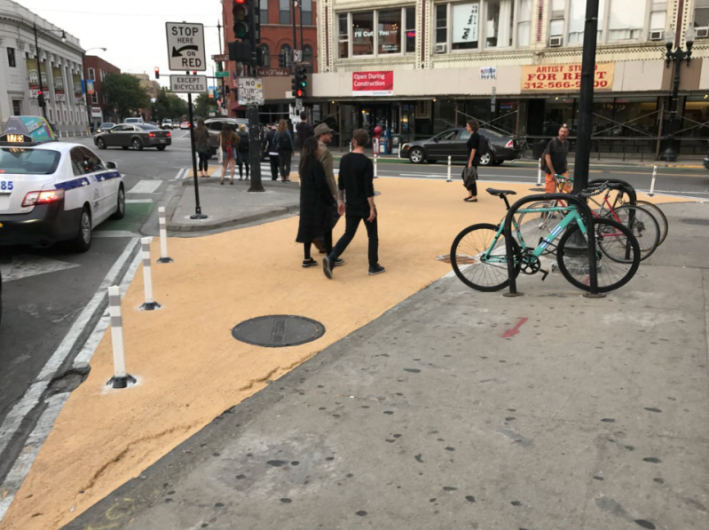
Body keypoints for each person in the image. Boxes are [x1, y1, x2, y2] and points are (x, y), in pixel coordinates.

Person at [323, 129, 385, 279]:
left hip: (350, 203)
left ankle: (331, 257)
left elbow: (341, 182)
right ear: (366, 143)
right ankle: (373, 265)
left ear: (354, 141)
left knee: (348, 233)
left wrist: (340, 201)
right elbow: (368, 187)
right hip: (364, 203)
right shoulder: (366, 162)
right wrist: (372, 207)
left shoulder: (345, 159)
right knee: (372, 235)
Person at [296, 138, 341, 268]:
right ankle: (330, 255)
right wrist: (331, 199)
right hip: (318, 200)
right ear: (314, 149)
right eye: (319, 147)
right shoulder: (316, 164)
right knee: (327, 226)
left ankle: (307, 257)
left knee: (307, 228)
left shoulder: (304, 163)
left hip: (306, 200)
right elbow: (321, 184)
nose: (321, 149)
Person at [544, 125, 571, 193]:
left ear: (567, 133)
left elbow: (564, 157)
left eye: (565, 132)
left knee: (564, 189)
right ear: (558, 132)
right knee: (551, 193)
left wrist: (566, 168)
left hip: (561, 173)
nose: (563, 133)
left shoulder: (567, 143)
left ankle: (566, 202)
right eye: (561, 131)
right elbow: (547, 157)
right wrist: (553, 172)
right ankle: (551, 203)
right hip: (551, 173)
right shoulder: (553, 142)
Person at [463, 119, 480, 203]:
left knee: (470, 177)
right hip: (471, 159)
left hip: (473, 160)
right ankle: (470, 194)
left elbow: (474, 149)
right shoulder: (473, 135)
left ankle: (474, 196)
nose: (466, 127)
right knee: (466, 176)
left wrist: (470, 161)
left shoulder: (475, 136)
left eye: (467, 126)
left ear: (471, 126)